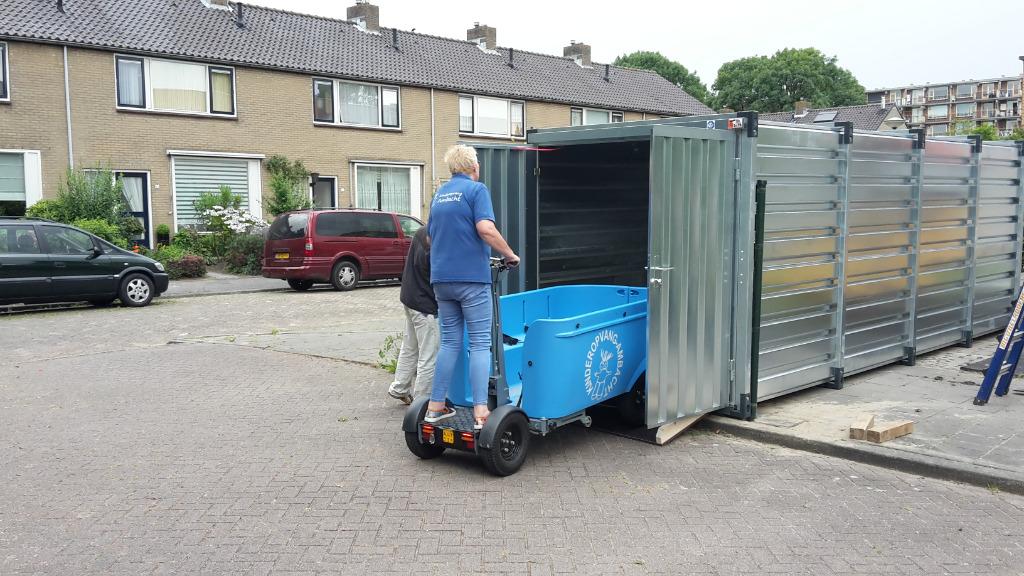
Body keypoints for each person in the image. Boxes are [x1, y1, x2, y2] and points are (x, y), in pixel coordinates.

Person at [425, 145, 519, 429]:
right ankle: (481, 412)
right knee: (480, 344)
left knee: (451, 342)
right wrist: (510, 254)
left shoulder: (438, 195)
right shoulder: (477, 191)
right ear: (473, 168)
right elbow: (485, 229)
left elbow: (430, 239)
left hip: (441, 280)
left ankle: (435, 406)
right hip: (471, 281)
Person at [387, 226, 439, 404]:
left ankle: (399, 387)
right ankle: (421, 402)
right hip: (426, 306)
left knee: (410, 346)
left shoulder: (422, 232)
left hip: (409, 298)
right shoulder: (437, 244)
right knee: (429, 354)